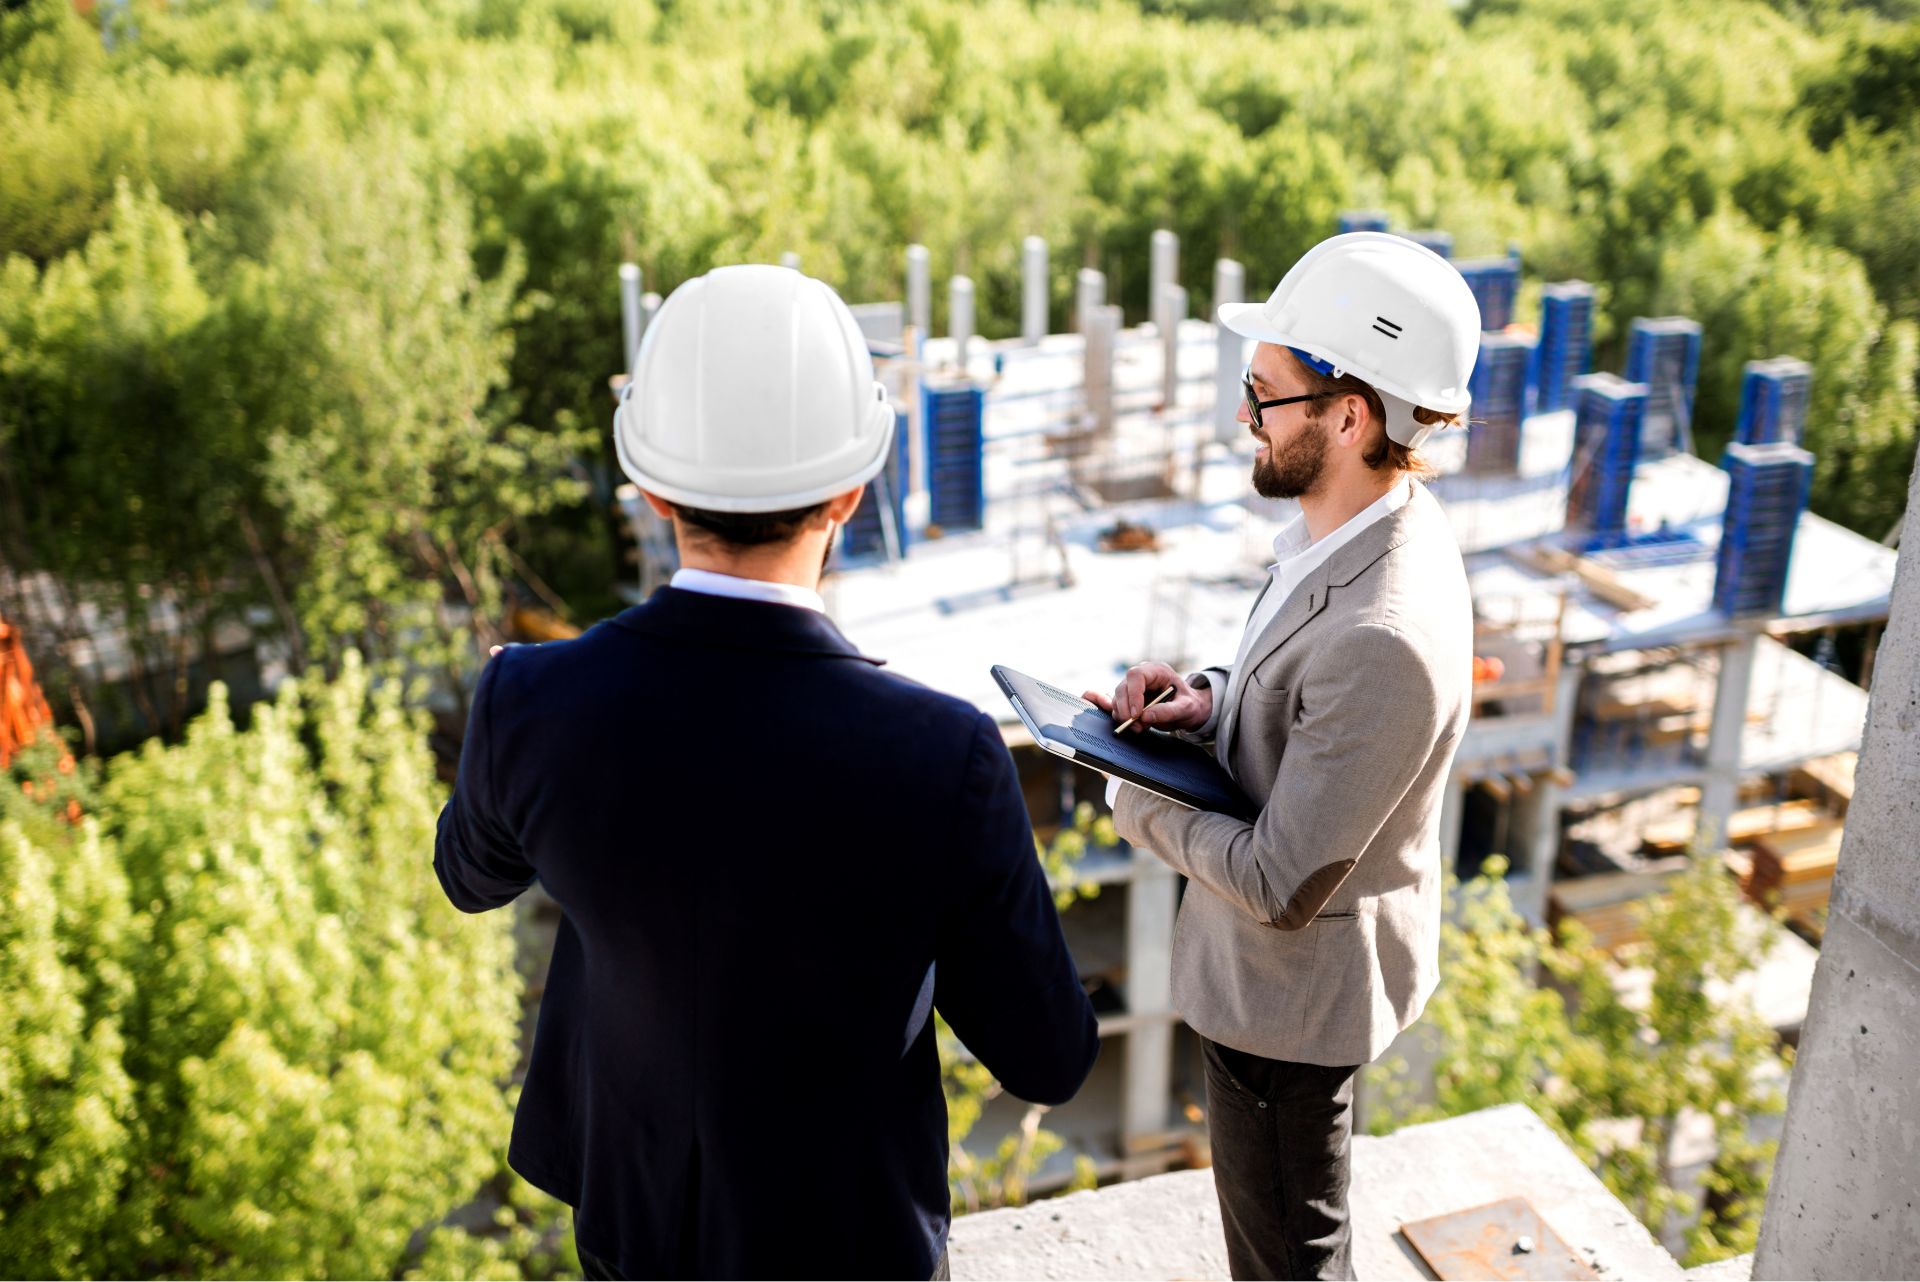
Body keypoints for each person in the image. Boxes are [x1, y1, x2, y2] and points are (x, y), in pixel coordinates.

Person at [435, 264, 1099, 1280]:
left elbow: (469, 877)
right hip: (850, 1242)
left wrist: (518, 744)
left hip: (636, 1222)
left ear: (652, 487)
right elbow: (1048, 1056)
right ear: (853, 491)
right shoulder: (944, 754)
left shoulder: (530, 698)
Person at [1086, 233, 1480, 1280]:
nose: (1242, 417)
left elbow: (1278, 881)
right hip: (1275, 990)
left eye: (1263, 395)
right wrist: (1208, 701)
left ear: (1350, 417)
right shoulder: (1356, 531)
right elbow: (1300, 683)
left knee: (1288, 1262)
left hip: (1288, 1010)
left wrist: (1128, 789)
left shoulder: (1387, 631)